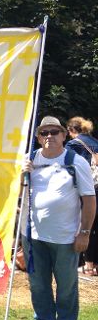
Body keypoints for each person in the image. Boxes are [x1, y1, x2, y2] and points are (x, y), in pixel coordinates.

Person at [21, 116, 96, 320]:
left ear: (64, 135)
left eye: (55, 132)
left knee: (66, 285)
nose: (49, 137)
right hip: (32, 235)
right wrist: (20, 175)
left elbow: (90, 200)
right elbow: (15, 195)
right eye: (44, 133)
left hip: (65, 237)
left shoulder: (75, 161)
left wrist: (84, 233)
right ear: (38, 137)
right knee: (38, 283)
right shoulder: (29, 159)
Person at [65, 116, 98, 276]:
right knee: (95, 226)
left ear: (71, 130)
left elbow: (68, 168)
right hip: (97, 188)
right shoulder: (96, 143)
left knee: (82, 224)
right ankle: (94, 264)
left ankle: (85, 264)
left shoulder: (73, 144)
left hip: (84, 190)